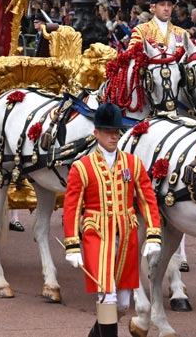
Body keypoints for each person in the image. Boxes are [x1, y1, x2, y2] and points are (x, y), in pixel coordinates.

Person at [63, 102, 162, 337]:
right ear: (96, 133)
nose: (113, 137)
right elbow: (72, 208)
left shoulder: (132, 163)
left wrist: (153, 233)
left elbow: (148, 200)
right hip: (97, 236)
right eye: (108, 132)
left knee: (121, 305)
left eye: (116, 132)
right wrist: (72, 245)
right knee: (106, 296)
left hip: (127, 238)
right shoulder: (82, 167)